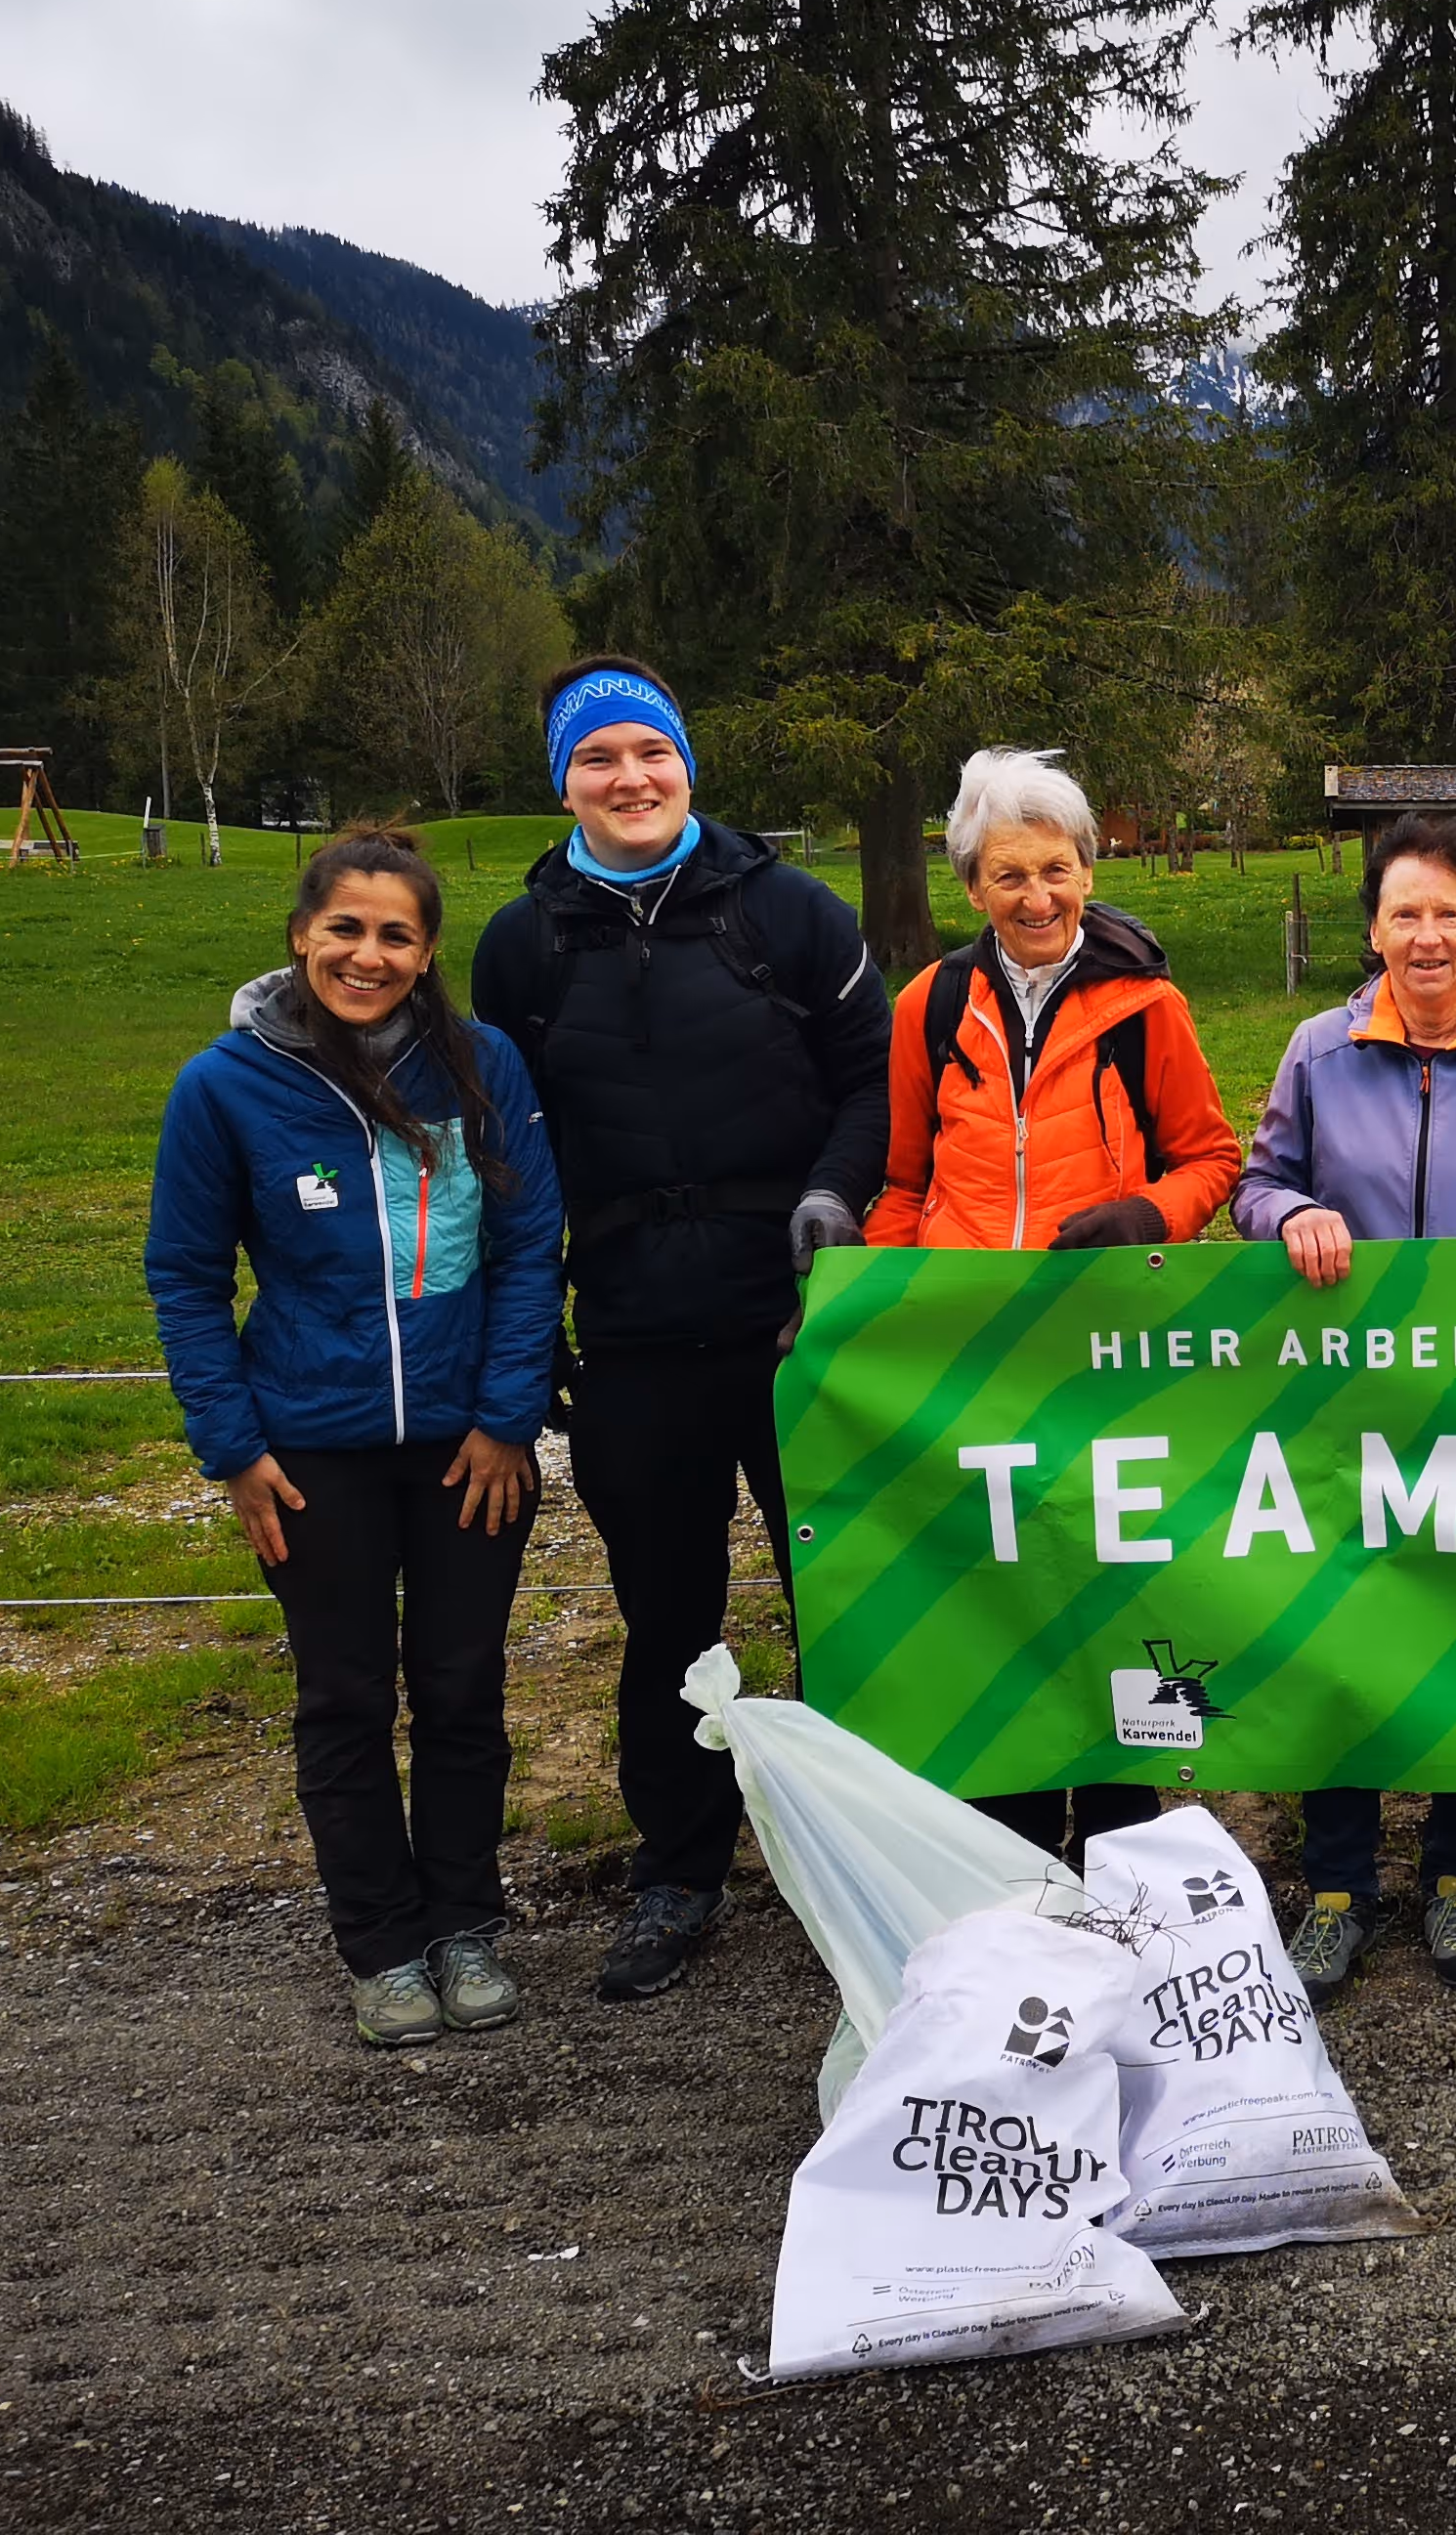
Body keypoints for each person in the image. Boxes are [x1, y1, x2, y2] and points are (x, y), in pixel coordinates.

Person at [471, 656, 892, 2004]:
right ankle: (678, 1874)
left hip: (799, 1329)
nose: (629, 779)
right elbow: (501, 1155)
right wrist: (528, 1328)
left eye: (649, 752)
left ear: (688, 765)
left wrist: (834, 1196)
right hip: (638, 1332)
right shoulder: (521, 946)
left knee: (845, 1605)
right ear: (563, 782)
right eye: (597, 761)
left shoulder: (789, 915)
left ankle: (864, 1856)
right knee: (668, 1622)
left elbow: (873, 1080)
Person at [147, 828, 563, 2047]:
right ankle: (380, 1948)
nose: (366, 955)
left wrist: (505, 1420)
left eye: (395, 935)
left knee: (460, 1689)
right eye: (345, 930)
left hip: (464, 1451)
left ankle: (464, 1927)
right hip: (307, 1449)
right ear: (300, 934)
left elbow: (530, 1250)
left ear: (427, 949)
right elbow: (183, 1274)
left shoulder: (484, 1065)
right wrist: (231, 1446)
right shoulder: (224, 1085)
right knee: (342, 1697)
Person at [1234, 811, 1456, 2004]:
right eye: (1405, 913)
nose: (1429, 935)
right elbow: (1256, 1181)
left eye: (1452, 912)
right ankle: (1336, 1885)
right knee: (1340, 1630)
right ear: (1375, 930)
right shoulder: (1315, 1050)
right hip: (1341, 1402)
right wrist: (1290, 1216)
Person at [867, 746, 1246, 1862]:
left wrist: (1149, 1216)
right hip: (977, 1357)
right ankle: (1012, 1857)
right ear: (970, 887)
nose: (1037, 897)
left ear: (1090, 867)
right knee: (1000, 1601)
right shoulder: (929, 1007)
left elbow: (1211, 1158)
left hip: (1108, 1355)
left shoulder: (1146, 1006)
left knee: (1113, 1594)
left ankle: (1120, 1851)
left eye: (1057, 870)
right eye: (1008, 876)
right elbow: (898, 1181)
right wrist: (881, 1306)